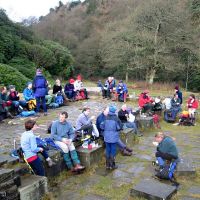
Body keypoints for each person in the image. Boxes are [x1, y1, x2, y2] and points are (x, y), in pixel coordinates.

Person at [100, 105, 122, 169]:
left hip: (106, 137)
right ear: (114, 111)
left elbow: (101, 126)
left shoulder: (106, 117)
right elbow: (119, 127)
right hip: (114, 137)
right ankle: (112, 165)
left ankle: (107, 165)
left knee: (108, 150)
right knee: (113, 150)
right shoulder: (116, 118)